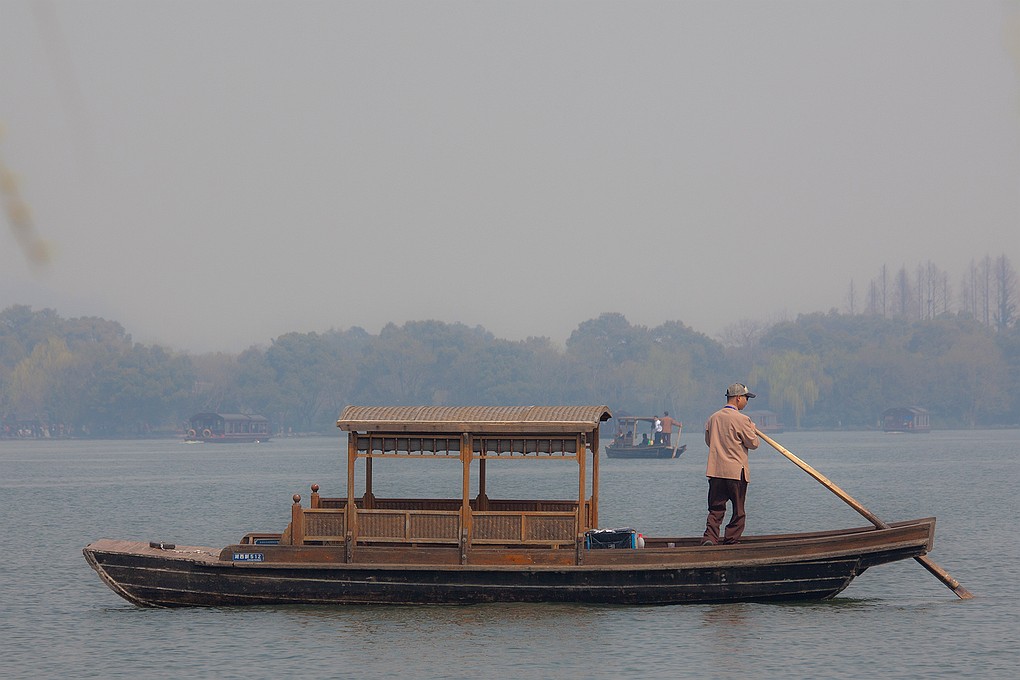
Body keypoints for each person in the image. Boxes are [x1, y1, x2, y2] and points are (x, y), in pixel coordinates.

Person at [702, 383, 760, 546]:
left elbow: (709, 441)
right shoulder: (743, 419)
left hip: (716, 471)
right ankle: (731, 540)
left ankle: (710, 538)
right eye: (746, 398)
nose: (747, 402)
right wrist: (752, 430)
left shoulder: (713, 418)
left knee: (715, 509)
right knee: (738, 510)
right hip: (736, 472)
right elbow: (753, 443)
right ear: (738, 398)